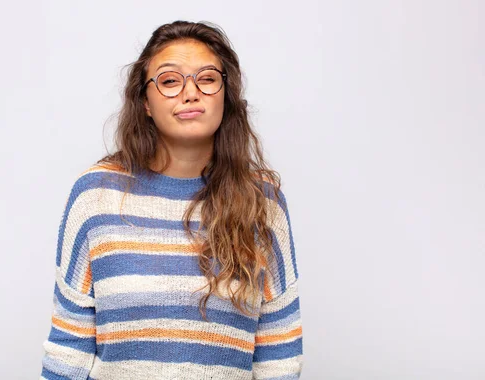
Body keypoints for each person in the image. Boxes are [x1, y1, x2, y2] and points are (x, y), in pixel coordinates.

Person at [40, 20, 303, 380]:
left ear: (226, 94)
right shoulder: (97, 195)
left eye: (207, 79)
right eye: (169, 80)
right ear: (145, 102)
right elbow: (69, 348)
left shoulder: (263, 202)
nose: (190, 93)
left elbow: (280, 355)